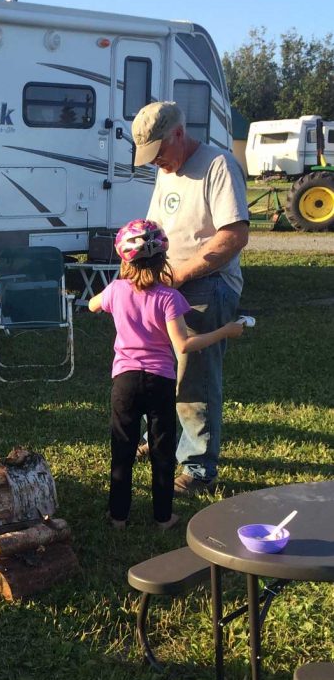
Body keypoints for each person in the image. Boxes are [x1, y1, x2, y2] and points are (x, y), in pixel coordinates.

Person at [89, 220, 244, 530]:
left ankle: (118, 517)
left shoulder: (116, 290)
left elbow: (94, 305)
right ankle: (163, 517)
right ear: (163, 260)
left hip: (125, 382)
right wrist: (224, 331)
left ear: (124, 259)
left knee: (122, 448)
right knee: (162, 451)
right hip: (159, 381)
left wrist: (110, 298)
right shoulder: (169, 299)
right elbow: (184, 345)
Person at [132, 101, 250, 496]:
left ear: (178, 135)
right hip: (169, 285)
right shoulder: (168, 170)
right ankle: (165, 439)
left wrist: (180, 274)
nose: (155, 163)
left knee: (194, 377)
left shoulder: (217, 166)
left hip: (208, 285)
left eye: (158, 153)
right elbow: (155, 226)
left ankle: (198, 467)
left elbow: (234, 235)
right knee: (161, 368)